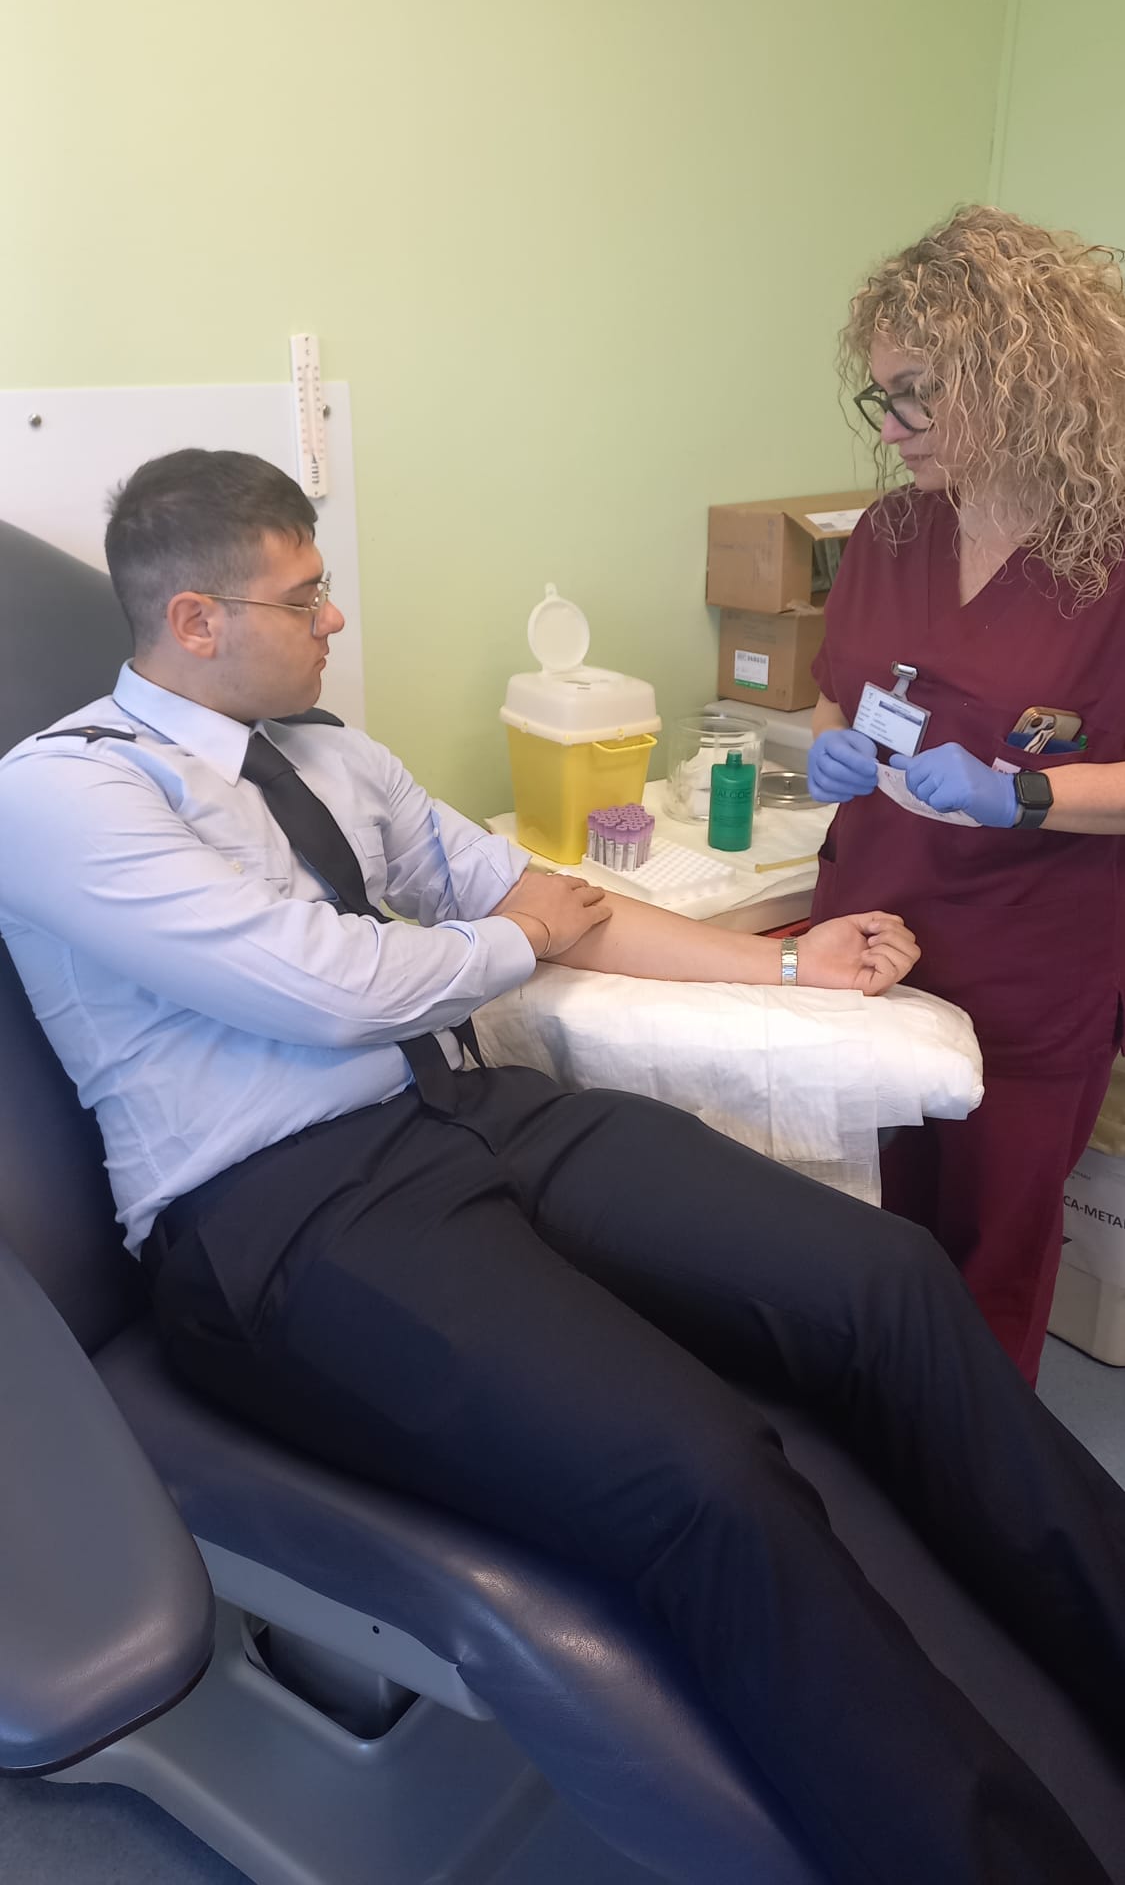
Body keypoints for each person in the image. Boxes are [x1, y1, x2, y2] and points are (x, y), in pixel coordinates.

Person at [2, 449, 1124, 1885]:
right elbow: (327, 984)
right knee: (701, 1474)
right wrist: (517, 936)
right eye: (304, 596)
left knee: (889, 1284)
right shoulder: (66, 792)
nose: (335, 617)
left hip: (474, 1115)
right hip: (278, 1214)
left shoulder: (333, 755)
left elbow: (556, 903)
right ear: (196, 620)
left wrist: (791, 964)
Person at [807, 205, 1125, 1386]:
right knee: (863, 1218)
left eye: (918, 396)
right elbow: (840, 697)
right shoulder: (890, 531)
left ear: (1021, 379)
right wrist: (830, 750)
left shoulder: (1108, 553)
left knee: (991, 1247)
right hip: (870, 939)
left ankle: (970, 1460)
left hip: (1027, 966)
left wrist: (1022, 795)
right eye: (881, 397)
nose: (891, 429)